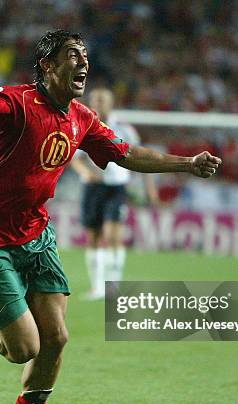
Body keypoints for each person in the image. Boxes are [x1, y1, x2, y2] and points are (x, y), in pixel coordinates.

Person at [0, 26, 221, 404]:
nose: (83, 62)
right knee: (23, 348)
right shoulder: (18, 102)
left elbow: (127, 154)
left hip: (37, 235)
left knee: (57, 339)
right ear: (47, 65)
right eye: (72, 55)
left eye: (84, 54)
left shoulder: (81, 118)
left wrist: (187, 163)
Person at [71, 87, 158, 299]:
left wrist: (150, 189)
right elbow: (75, 157)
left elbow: (142, 158)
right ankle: (97, 287)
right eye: (95, 100)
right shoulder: (84, 126)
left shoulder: (125, 129)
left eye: (102, 100)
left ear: (110, 104)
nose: (98, 104)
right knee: (92, 238)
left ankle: (113, 286)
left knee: (112, 236)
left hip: (116, 187)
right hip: (92, 188)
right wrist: (85, 172)